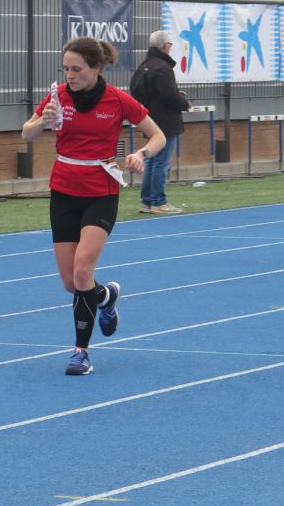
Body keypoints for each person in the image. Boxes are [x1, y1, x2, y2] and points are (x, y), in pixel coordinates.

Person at [22, 36, 166, 376]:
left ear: (96, 68)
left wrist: (140, 154)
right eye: (66, 69)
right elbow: (26, 134)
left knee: (83, 270)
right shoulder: (57, 98)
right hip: (63, 191)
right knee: (71, 282)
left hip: (101, 190)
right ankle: (106, 298)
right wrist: (43, 120)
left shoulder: (117, 100)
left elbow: (157, 135)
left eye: (77, 69)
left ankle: (81, 352)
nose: (70, 75)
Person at [129, 30, 191, 214]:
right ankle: (158, 201)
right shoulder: (163, 68)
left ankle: (147, 201)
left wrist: (147, 107)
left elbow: (136, 91)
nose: (171, 47)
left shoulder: (144, 66)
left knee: (151, 160)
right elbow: (169, 96)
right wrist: (184, 102)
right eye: (170, 44)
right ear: (165, 46)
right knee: (161, 162)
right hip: (166, 121)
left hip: (150, 119)